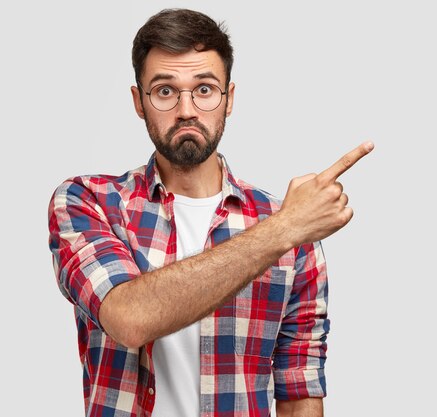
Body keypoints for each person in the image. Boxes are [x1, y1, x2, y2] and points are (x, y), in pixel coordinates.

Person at [47, 8, 373, 417]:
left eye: (204, 89)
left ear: (229, 99)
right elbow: (129, 318)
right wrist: (285, 229)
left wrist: (289, 228)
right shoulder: (87, 202)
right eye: (165, 91)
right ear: (138, 101)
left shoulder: (291, 230)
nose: (186, 110)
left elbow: (298, 389)